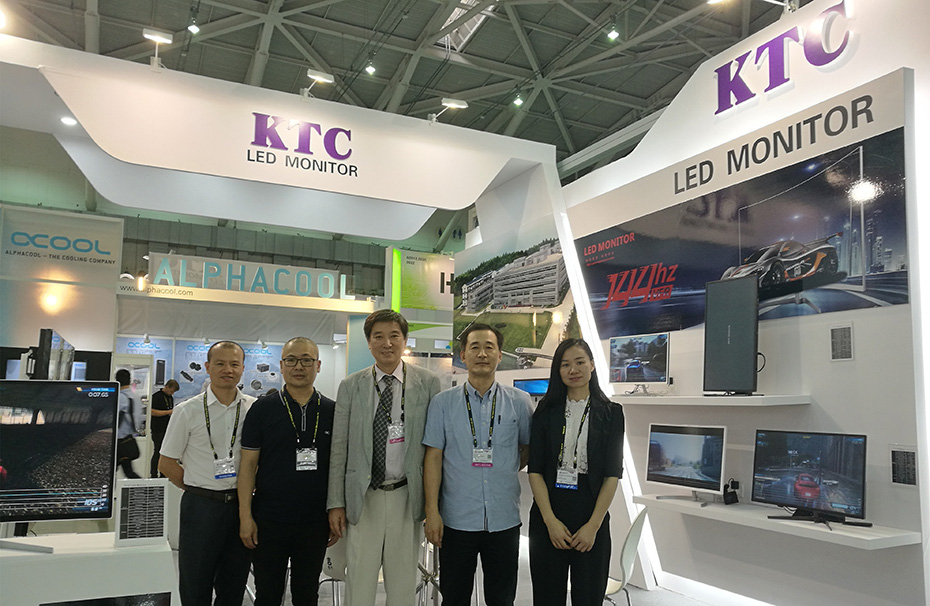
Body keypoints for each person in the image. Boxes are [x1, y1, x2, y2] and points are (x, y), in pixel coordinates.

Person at [327, 309, 441, 606]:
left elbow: (435, 449)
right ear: (369, 343)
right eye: (378, 336)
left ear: (405, 340)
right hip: (363, 495)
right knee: (359, 581)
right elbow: (339, 448)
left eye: (394, 336)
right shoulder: (351, 385)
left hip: (407, 495)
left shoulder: (428, 383)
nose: (387, 343)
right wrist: (335, 502)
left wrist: (433, 505)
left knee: (403, 583)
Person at [423, 323, 532, 606]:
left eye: (489, 347)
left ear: (499, 355)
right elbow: (433, 457)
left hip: (504, 519)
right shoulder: (442, 403)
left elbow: (527, 449)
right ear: (463, 355)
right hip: (457, 520)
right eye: (475, 347)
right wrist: (432, 511)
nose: (482, 354)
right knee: (454, 597)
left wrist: (505, 467)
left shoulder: (519, 402)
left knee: (501, 599)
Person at [238, 337, 337, 606]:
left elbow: (339, 467)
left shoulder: (332, 410)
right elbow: (247, 466)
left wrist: (336, 510)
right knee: (268, 594)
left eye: (306, 360)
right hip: (269, 519)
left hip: (315, 521)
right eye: (291, 360)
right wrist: (245, 516)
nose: (299, 366)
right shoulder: (262, 409)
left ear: (318, 365)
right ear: (281, 366)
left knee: (307, 594)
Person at [528, 338, 624, 606]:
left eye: (580, 362)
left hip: (590, 516)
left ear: (592, 365)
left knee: (589, 598)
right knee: (547, 598)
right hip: (549, 515)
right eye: (565, 364)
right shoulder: (545, 411)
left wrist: (593, 526)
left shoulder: (612, 413)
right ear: (557, 371)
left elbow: (612, 474)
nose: (573, 370)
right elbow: (535, 470)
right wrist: (550, 521)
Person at [159, 341, 256, 606]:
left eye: (234, 364)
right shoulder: (187, 410)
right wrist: (197, 487)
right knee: (195, 585)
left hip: (241, 507)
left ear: (243, 368)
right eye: (220, 363)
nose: (228, 369)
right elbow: (166, 463)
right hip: (200, 508)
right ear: (207, 367)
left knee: (233, 585)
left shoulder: (254, 409)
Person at [149, 379, 179, 477]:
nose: (172, 393)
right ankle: (153, 473)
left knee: (165, 452)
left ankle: (163, 473)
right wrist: (169, 412)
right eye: (171, 391)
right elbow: (152, 411)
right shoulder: (156, 397)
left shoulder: (170, 398)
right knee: (158, 451)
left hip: (167, 428)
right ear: (167, 387)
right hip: (157, 429)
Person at [115, 368, 142, 479]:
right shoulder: (136, 397)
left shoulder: (120, 397)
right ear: (129, 380)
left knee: (108, 472)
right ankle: (142, 488)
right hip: (128, 439)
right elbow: (137, 419)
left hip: (118, 440)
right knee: (129, 472)